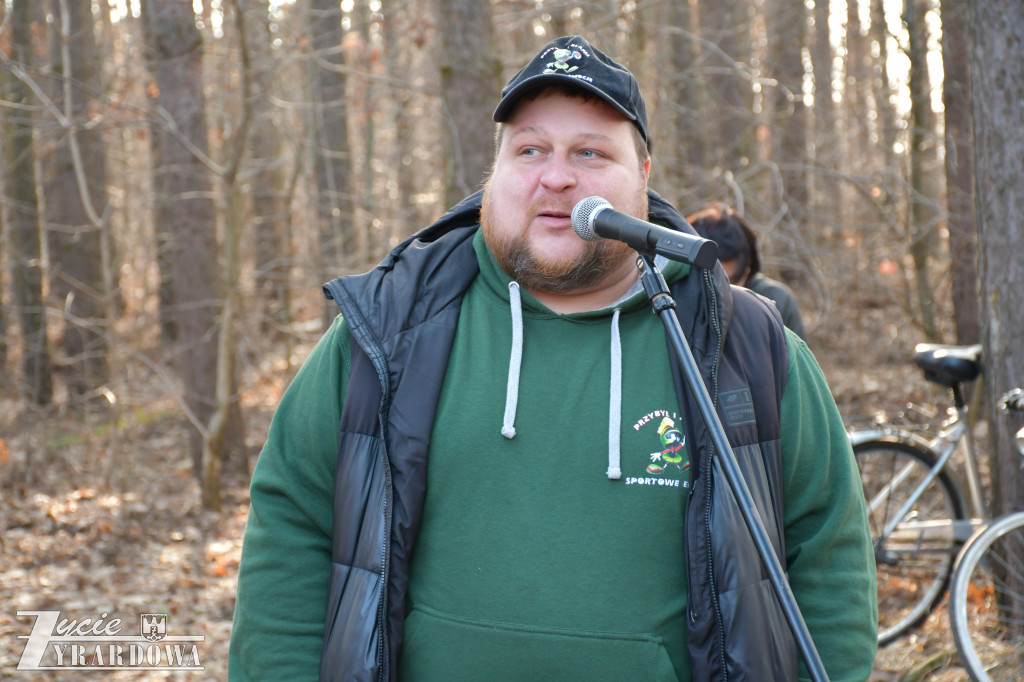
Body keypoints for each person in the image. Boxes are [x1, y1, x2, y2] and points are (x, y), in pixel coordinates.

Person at [229, 35, 877, 681]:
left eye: (590, 153)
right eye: (530, 149)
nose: (557, 175)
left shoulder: (745, 347)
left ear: (643, 179)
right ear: (496, 172)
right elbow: (292, 529)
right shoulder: (384, 333)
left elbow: (828, 558)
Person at [687, 203, 809, 341]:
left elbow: (797, 360)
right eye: (710, 280)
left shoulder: (776, 301)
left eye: (731, 282)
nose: (720, 292)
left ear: (748, 267)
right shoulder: (670, 298)